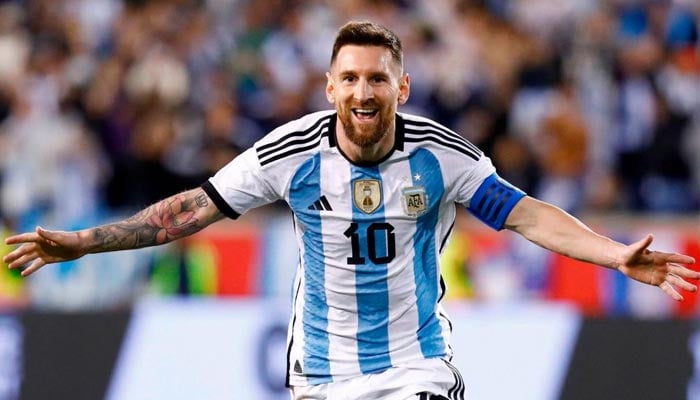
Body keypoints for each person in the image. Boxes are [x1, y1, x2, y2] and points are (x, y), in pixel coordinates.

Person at [3, 21, 698, 400]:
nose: (364, 91)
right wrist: (86, 242)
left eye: (377, 78)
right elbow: (192, 210)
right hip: (324, 375)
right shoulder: (292, 152)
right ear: (330, 85)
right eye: (351, 78)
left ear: (401, 84)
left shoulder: (441, 154)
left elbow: (526, 215)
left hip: (414, 367)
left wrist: (613, 254)